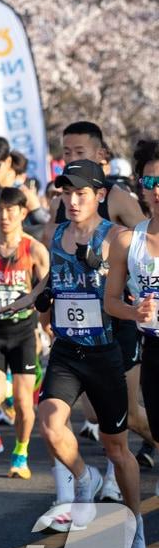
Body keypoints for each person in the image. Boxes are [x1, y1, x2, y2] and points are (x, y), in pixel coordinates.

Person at [28, 159, 146, 548]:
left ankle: (135, 525)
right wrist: (28, 302)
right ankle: (85, 477)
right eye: (66, 192)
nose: (72, 200)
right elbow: (50, 282)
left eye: (81, 193)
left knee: (118, 449)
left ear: (99, 195)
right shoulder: (53, 232)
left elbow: (134, 289)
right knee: (49, 422)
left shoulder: (119, 238)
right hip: (67, 351)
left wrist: (109, 270)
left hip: (106, 351)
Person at [0, 187, 47, 472]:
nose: (4, 216)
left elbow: (44, 291)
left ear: (22, 213)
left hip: (24, 332)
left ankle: (21, 452)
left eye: (10, 210)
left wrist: (45, 330)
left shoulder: (35, 249)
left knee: (22, 401)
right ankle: (6, 387)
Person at [107, 151, 159, 506]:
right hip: (154, 348)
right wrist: (133, 311)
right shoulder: (129, 241)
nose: (157, 190)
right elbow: (111, 301)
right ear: (141, 187)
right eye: (151, 182)